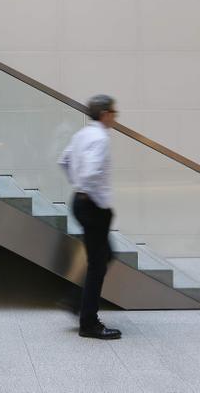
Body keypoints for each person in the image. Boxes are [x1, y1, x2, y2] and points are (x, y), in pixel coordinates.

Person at [57, 94, 122, 340]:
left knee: (105, 255)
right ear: (105, 114)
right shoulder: (101, 138)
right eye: (114, 113)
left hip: (81, 202)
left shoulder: (82, 134)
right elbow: (91, 172)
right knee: (98, 263)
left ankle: (76, 301)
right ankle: (89, 323)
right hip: (92, 207)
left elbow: (63, 160)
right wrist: (93, 196)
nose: (115, 117)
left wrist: (79, 188)